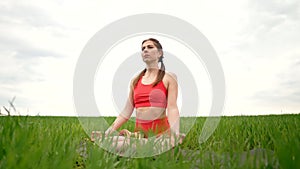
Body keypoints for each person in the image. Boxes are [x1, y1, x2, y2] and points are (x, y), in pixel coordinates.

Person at [91, 38, 185, 154]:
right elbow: (125, 112)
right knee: (105, 142)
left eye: (150, 47)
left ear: (159, 53)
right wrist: (107, 134)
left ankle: (152, 146)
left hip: (160, 135)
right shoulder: (135, 81)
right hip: (140, 136)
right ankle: (138, 145)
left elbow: (172, 108)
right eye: (143, 48)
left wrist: (174, 135)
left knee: (121, 145)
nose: (145, 50)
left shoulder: (168, 77)